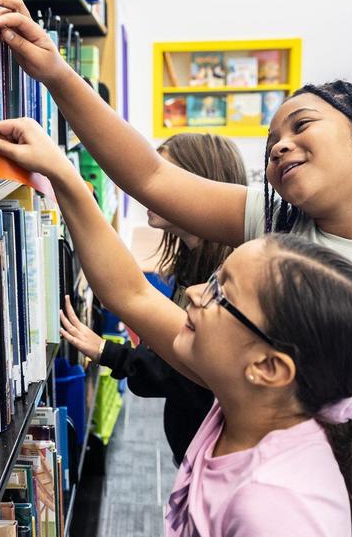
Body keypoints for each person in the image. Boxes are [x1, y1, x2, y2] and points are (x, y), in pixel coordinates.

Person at [0, 0, 352, 537]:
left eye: (301, 125)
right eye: (270, 145)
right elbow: (150, 179)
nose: (280, 147)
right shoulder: (278, 226)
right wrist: (55, 73)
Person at [0, 114, 352, 535]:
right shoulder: (245, 405)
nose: (198, 292)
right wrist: (61, 172)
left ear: (268, 368)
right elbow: (132, 293)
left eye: (222, 294)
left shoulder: (274, 507)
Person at [62, 132, 246, 466]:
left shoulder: (230, 278)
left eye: (164, 175)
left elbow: (185, 367)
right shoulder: (193, 263)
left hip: (214, 458)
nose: (147, 188)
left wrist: (110, 353)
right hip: (195, 450)